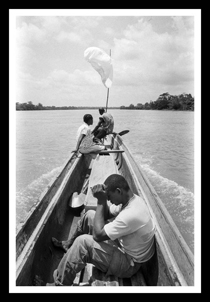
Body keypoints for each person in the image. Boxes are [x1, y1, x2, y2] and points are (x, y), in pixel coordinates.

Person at [47, 174, 156, 286]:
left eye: (109, 196)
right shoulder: (130, 200)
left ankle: (59, 284)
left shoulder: (131, 214)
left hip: (129, 264)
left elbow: (98, 235)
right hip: (124, 247)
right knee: (90, 215)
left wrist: (100, 200)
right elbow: (107, 214)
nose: (108, 200)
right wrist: (103, 199)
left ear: (118, 191)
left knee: (82, 243)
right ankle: (68, 245)